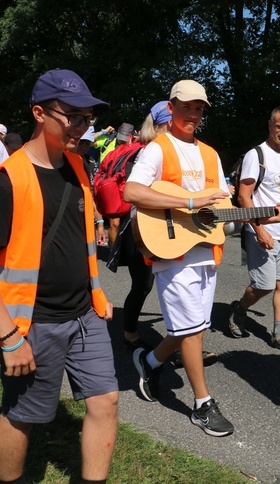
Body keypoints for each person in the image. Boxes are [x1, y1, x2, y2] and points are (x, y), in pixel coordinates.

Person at [0, 68, 118, 482]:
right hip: (32, 322)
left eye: (87, 118)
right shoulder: (9, 178)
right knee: (22, 416)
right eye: (72, 116)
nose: (82, 127)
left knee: (106, 401)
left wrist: (97, 296)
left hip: (86, 314)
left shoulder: (77, 165)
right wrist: (9, 337)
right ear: (39, 113)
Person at [124, 80, 238, 436]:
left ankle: (150, 360)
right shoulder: (158, 149)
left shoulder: (210, 154)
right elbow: (132, 190)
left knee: (195, 327)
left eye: (199, 108)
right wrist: (188, 203)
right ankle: (203, 404)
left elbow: (222, 207)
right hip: (171, 251)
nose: (193, 113)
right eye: (187, 106)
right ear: (170, 108)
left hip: (204, 249)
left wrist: (263, 217)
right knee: (191, 331)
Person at [227, 106, 280, 354]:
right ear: (270, 126)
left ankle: (278, 333)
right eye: (279, 126)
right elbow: (243, 196)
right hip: (262, 230)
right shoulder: (257, 155)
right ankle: (239, 310)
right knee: (264, 285)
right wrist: (259, 229)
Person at [109, 102, 165, 353]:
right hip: (141, 228)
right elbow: (136, 193)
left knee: (165, 284)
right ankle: (130, 334)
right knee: (143, 285)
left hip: (164, 228)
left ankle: (182, 343)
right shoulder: (148, 152)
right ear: (161, 125)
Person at [75, 125, 107, 246]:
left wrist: (100, 224)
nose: (83, 147)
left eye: (87, 143)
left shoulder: (90, 163)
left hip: (86, 218)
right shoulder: (58, 160)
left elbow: (93, 195)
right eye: (81, 142)